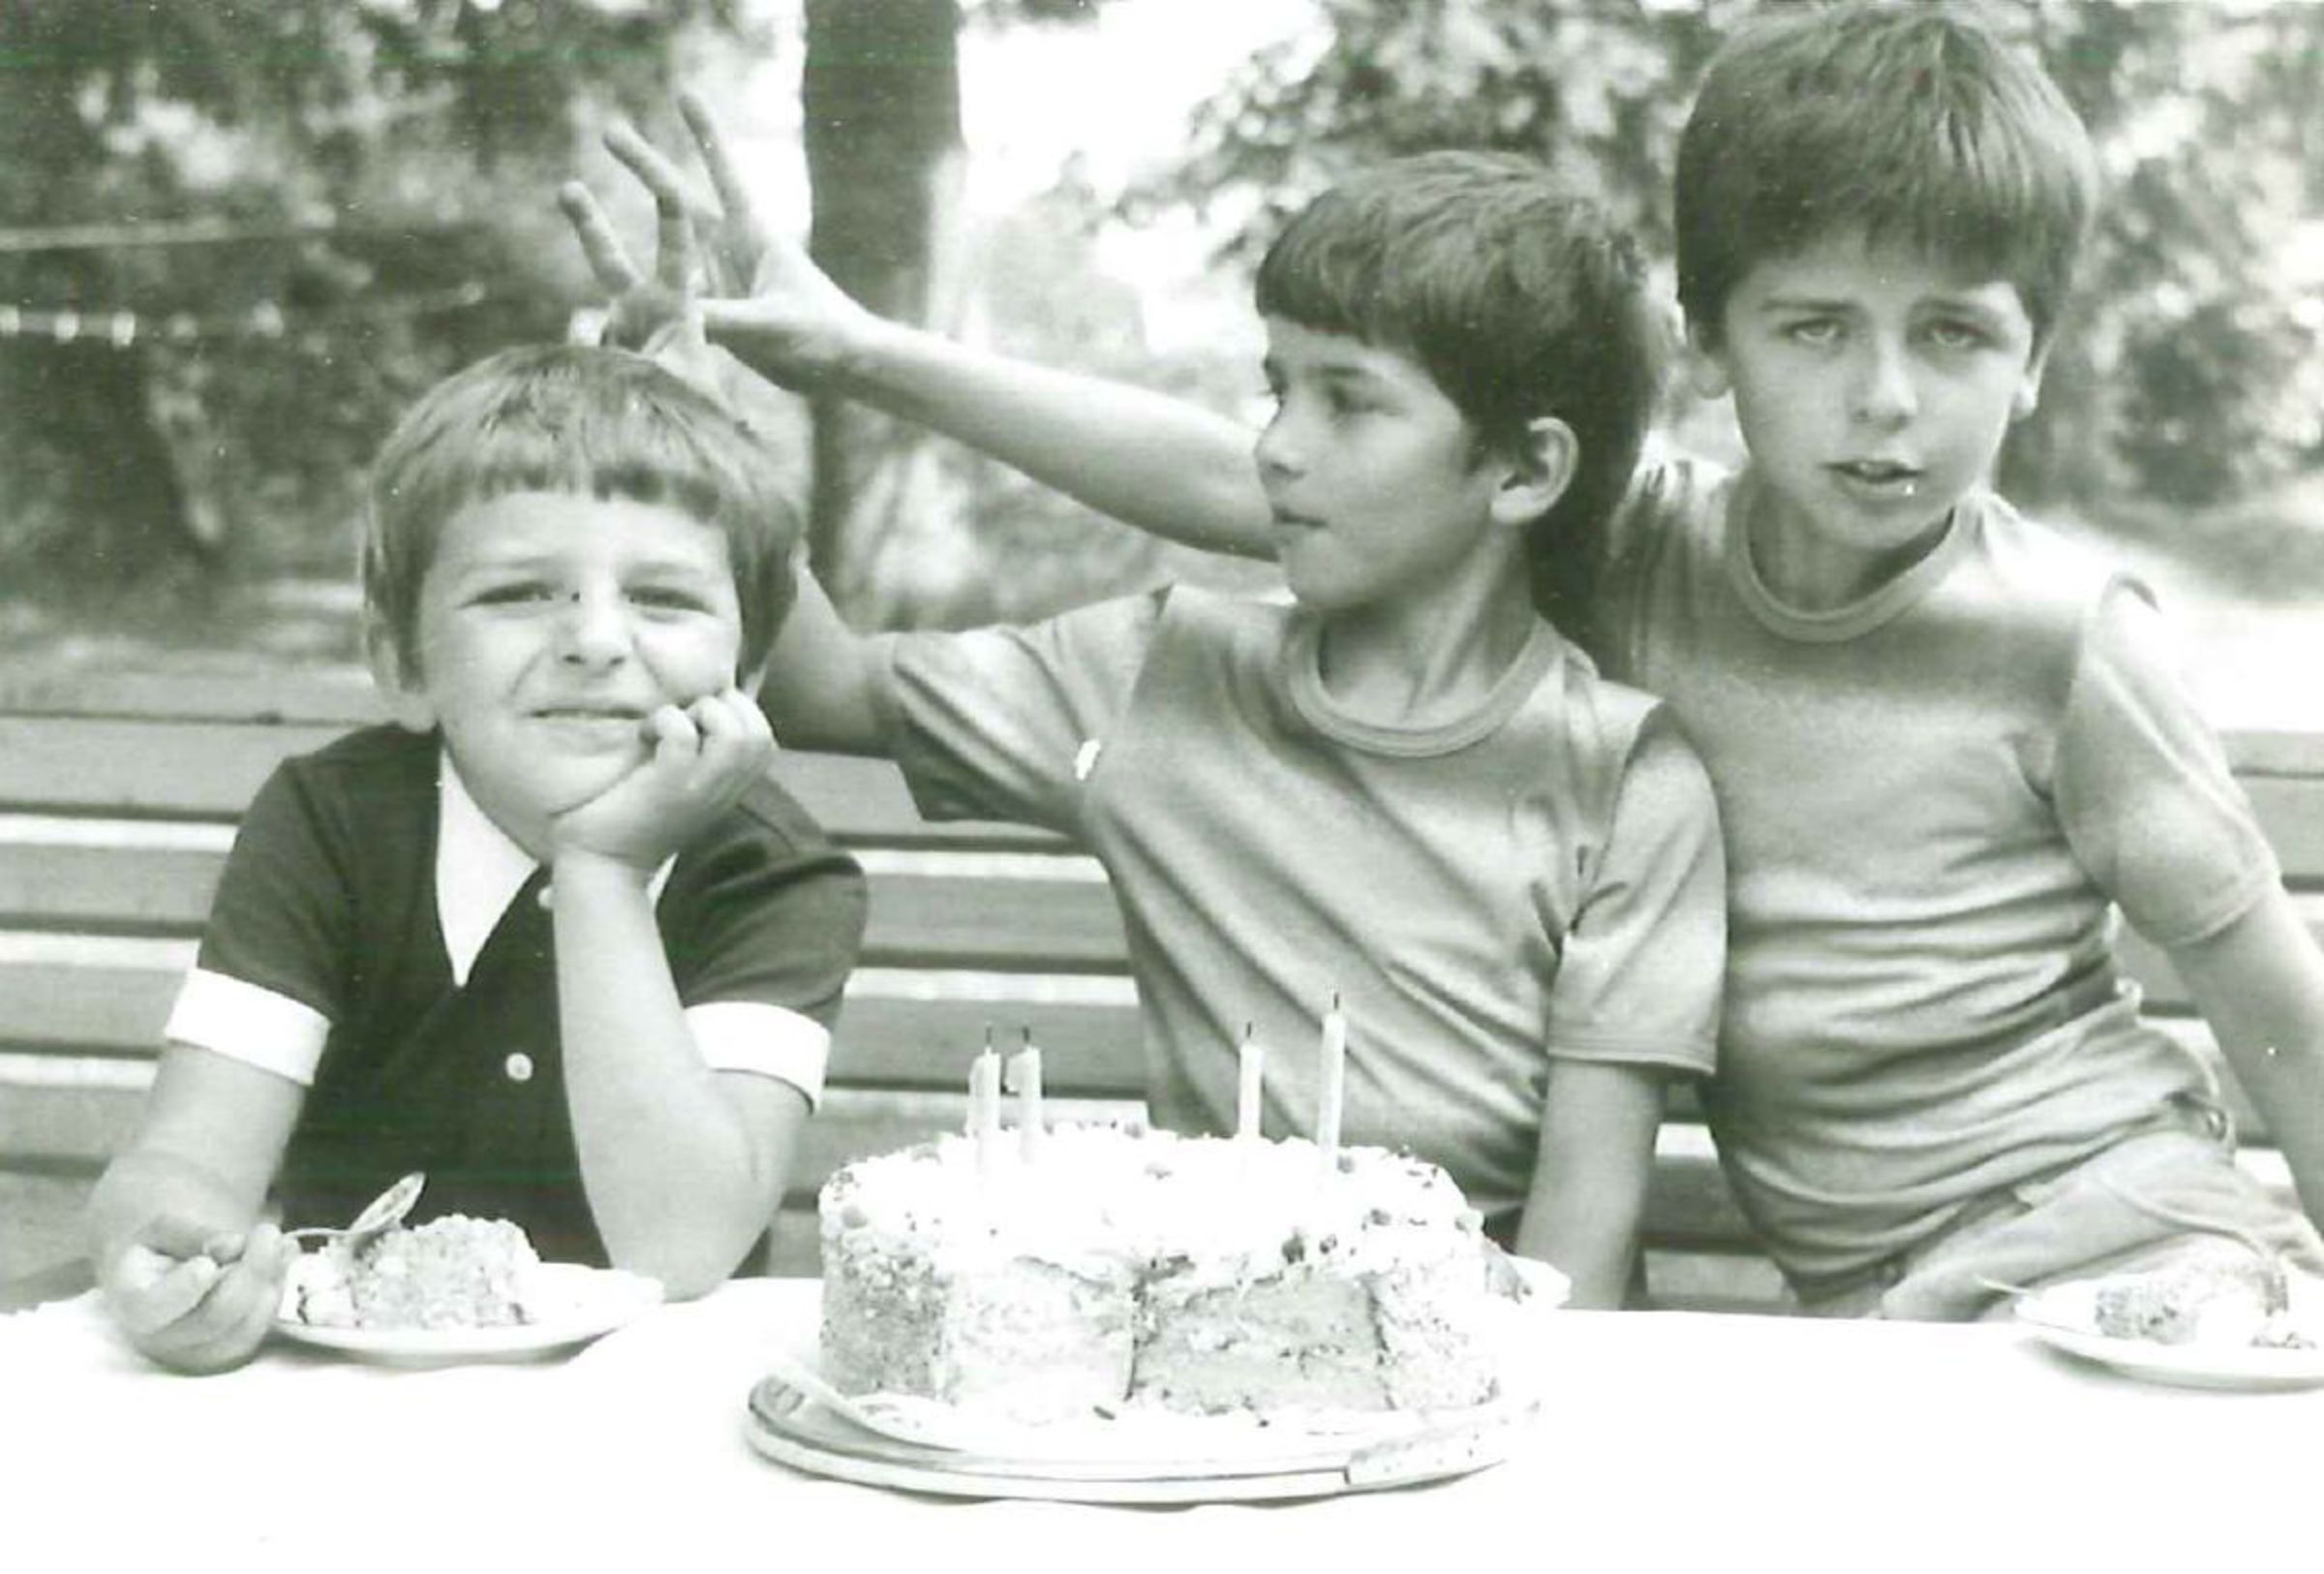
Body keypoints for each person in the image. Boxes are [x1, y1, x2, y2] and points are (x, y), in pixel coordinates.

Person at [583, 0, 2324, 1321]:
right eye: (1816, 328)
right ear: (1711, 345)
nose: (1886, 401)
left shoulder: (2065, 638)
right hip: (1877, 1307)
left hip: (2124, 1222)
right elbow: (1269, 480)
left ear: (2035, 359)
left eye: (1954, 337)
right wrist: (859, 358)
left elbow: (2281, 1017)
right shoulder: (1634, 547)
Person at [563, 122, 1728, 1311]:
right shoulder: (1158, 673)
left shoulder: (1628, 775)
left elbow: (1580, 1252)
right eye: (1279, 388)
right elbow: (828, 688)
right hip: (1211, 1333)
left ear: (1525, 472)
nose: (1276, 447)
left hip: (1500, 1349)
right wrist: (691, 425)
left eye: (1349, 402)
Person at [87, 344, 869, 1372]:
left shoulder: (772, 872)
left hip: (647, 1401)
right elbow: (188, 1155)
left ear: (749, 672)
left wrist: (601, 871)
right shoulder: (331, 822)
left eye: (664, 598)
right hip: (345, 1389)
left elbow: (680, 1245)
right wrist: (171, 1257)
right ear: (403, 664)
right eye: (521, 592)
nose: (596, 638)